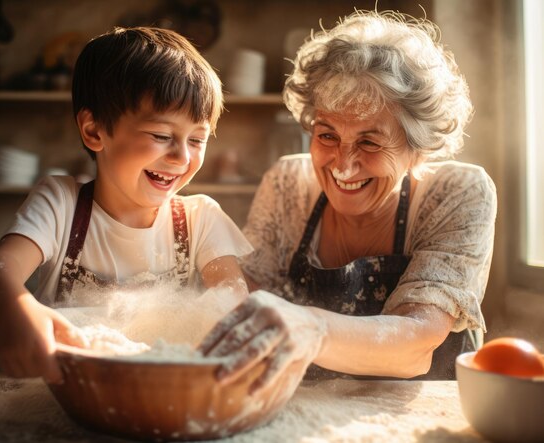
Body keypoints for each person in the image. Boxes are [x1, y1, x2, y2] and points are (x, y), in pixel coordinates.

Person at [199, 10, 497, 388]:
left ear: (418, 149)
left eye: (369, 141)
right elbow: (249, 305)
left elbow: (415, 345)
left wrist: (312, 328)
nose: (343, 164)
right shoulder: (288, 183)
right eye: (326, 136)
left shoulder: (456, 193)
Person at [0, 27, 252, 383]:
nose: (182, 156)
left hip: (164, 394)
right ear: (94, 131)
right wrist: (17, 310)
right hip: (68, 395)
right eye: (161, 136)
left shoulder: (200, 219)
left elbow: (234, 299)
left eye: (197, 139)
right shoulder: (62, 205)